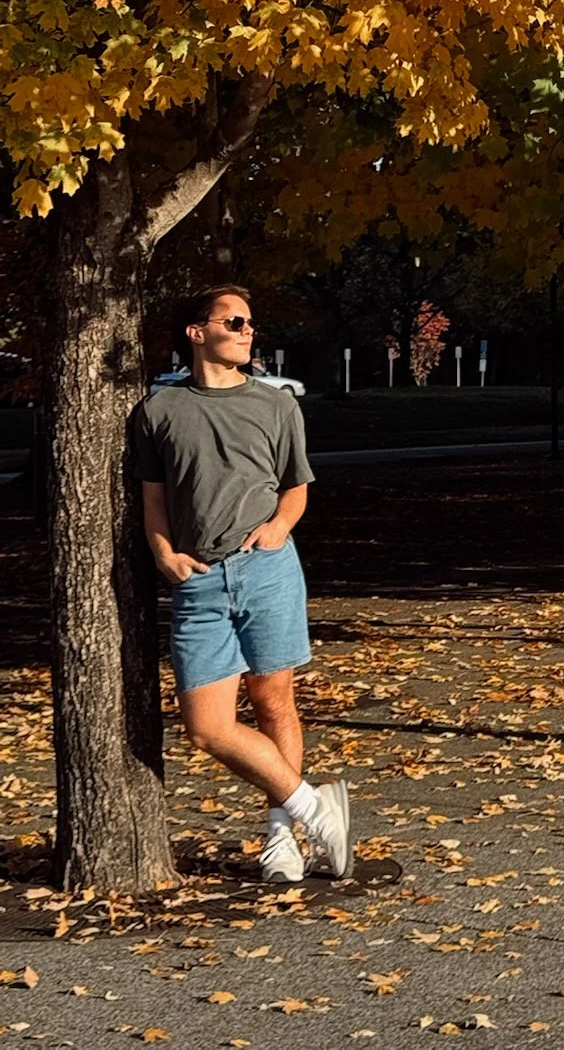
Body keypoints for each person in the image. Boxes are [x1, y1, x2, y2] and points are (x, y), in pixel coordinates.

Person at [132, 283, 352, 883]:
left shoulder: (276, 404)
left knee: (273, 701)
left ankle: (283, 836)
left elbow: (296, 486)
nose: (247, 330)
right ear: (197, 333)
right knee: (207, 728)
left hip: (267, 568)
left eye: (251, 322)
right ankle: (315, 808)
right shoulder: (159, 411)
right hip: (198, 580)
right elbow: (153, 500)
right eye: (234, 321)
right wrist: (163, 555)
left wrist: (280, 527)